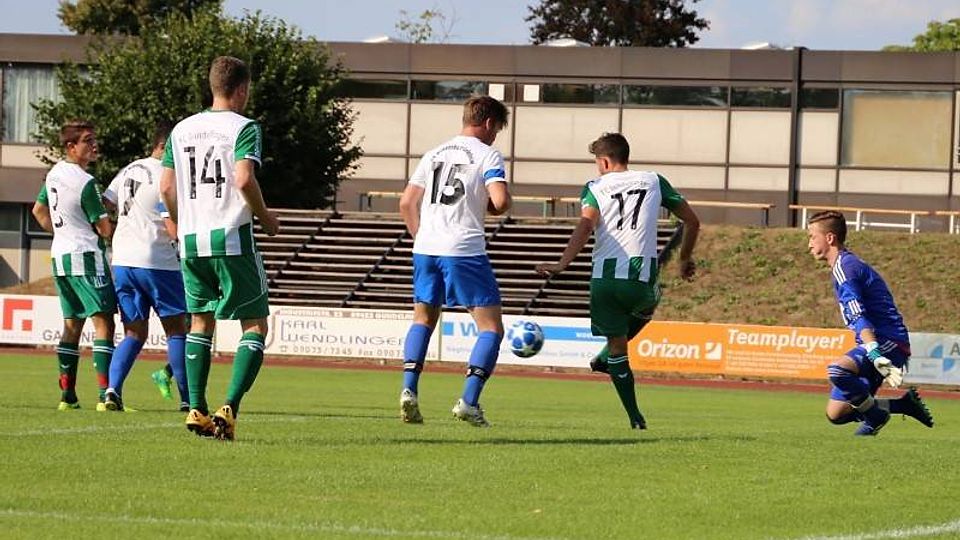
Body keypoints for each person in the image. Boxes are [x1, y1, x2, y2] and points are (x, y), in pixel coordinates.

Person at [536, 132, 700, 429]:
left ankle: (635, 416)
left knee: (616, 347)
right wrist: (684, 259)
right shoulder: (654, 180)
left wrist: (562, 264)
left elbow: (585, 225)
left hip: (603, 279)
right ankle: (605, 362)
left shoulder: (594, 187)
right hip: (640, 275)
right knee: (649, 303)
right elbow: (692, 220)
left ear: (604, 162)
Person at [160, 56, 280, 441]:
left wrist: (180, 221)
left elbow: (166, 187)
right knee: (255, 325)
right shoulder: (245, 127)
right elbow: (243, 179)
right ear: (242, 89)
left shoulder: (180, 130)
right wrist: (265, 217)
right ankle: (228, 408)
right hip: (231, 238)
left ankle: (196, 409)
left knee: (200, 323)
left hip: (192, 241)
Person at [397, 95, 512, 427]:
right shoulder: (487, 154)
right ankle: (469, 402)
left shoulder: (434, 153)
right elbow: (500, 201)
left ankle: (409, 390)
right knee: (491, 327)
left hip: (426, 248)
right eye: (496, 129)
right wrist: (496, 203)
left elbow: (406, 203)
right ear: (488, 123)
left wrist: (421, 237)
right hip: (463, 248)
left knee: (423, 319)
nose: (495, 136)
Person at [806, 210, 934, 436]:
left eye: (812, 237)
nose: (809, 244)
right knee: (836, 414)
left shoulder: (845, 268)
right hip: (876, 341)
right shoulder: (846, 265)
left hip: (889, 340)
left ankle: (875, 416)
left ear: (829, 238)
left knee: (838, 371)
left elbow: (859, 315)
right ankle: (902, 405)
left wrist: (874, 353)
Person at [101, 121, 189, 412]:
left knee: (134, 333)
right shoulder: (166, 176)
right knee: (176, 330)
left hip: (123, 261)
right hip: (157, 261)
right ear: (165, 146)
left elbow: (105, 202)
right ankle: (188, 399)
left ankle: (112, 390)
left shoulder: (128, 169)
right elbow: (171, 226)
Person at [32, 120, 116, 411]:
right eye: (87, 140)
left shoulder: (54, 174)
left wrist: (62, 233)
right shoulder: (85, 182)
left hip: (61, 256)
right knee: (104, 322)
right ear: (71, 147)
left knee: (71, 324)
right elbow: (104, 229)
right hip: (85, 257)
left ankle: (67, 397)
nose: (94, 145)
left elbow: (38, 210)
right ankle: (105, 395)